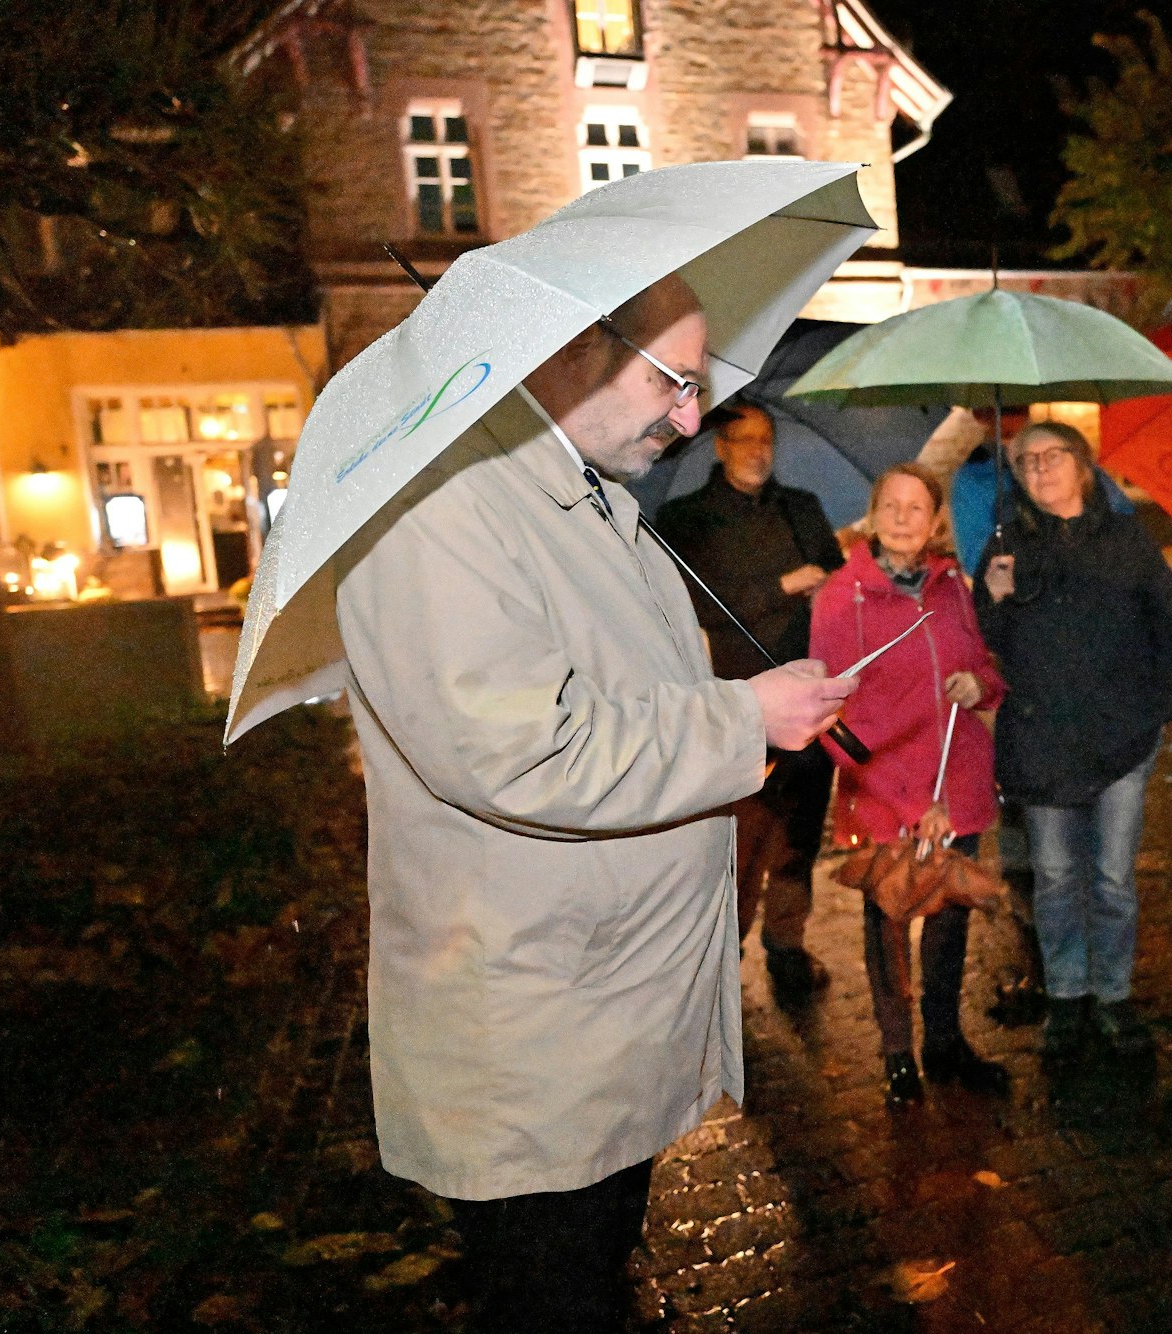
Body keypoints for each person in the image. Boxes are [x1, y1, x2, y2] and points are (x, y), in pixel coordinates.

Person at [332, 274, 856, 1331]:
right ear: (570, 347)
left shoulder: (591, 504)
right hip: (531, 1048)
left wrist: (741, 701)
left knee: (594, 1283)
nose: (691, 416)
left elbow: (629, 701)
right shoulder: (442, 511)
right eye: (671, 381)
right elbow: (526, 745)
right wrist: (740, 720)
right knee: (550, 1298)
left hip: (596, 1025)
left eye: (696, 386)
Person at [977, 421, 1172, 1060]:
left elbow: (1170, 626)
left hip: (1121, 741)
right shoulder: (1005, 548)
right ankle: (1067, 996)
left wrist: (1158, 708)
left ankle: (1114, 995)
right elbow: (988, 648)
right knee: (1054, 875)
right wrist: (993, 600)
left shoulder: (1127, 539)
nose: (1039, 469)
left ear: (1084, 465)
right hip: (1043, 745)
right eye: (1026, 461)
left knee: (1113, 878)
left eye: (1052, 456)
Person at [810, 464, 1012, 1105]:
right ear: (871, 517)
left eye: (916, 507)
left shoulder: (954, 588)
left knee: (950, 924)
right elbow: (830, 722)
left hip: (959, 788)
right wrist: (908, 802)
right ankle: (899, 1055)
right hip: (886, 798)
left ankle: (946, 1043)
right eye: (890, 506)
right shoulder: (843, 599)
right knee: (890, 929)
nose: (902, 517)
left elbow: (984, 666)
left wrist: (981, 684)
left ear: (934, 521)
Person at [653, 403, 844, 1001]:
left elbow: (837, 585)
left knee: (798, 838)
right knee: (736, 842)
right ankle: (719, 960)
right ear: (719, 447)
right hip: (733, 709)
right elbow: (684, 604)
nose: (758, 451)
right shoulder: (682, 520)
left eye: (766, 440)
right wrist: (779, 587)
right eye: (744, 440)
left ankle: (787, 945)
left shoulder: (803, 508)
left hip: (807, 705)